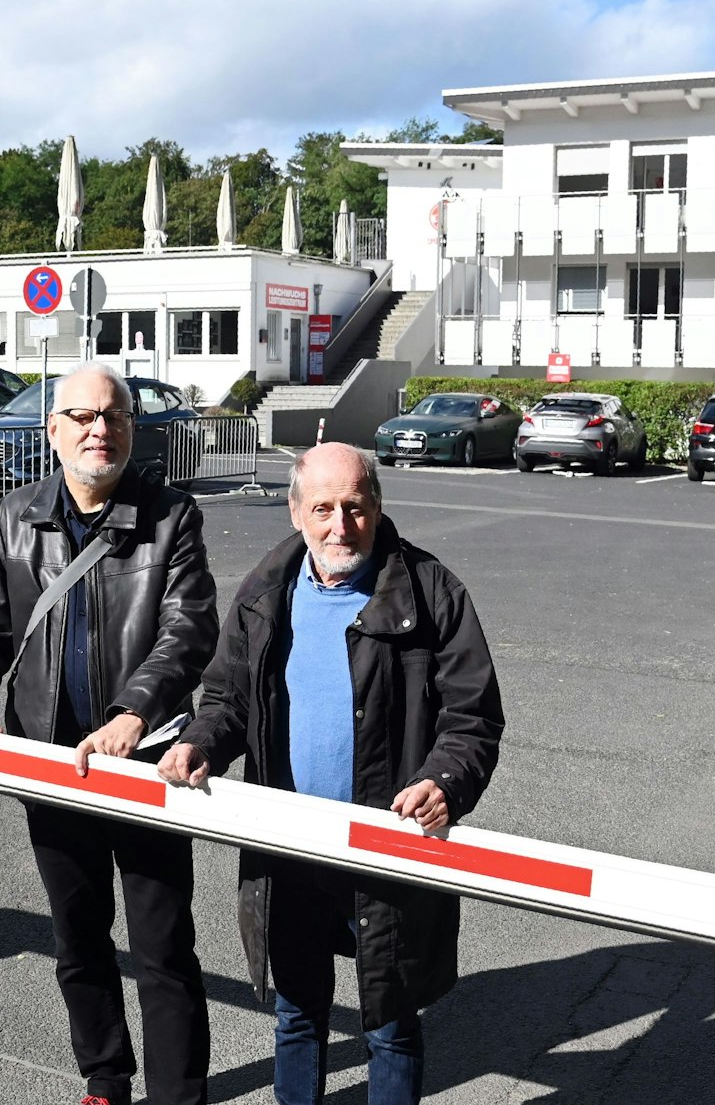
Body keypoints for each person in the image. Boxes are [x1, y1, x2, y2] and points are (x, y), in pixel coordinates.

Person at [159, 442, 505, 1105]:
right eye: (322, 508)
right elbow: (229, 698)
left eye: (354, 506)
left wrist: (446, 781)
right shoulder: (266, 592)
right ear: (295, 512)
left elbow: (473, 716)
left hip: (387, 851)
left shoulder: (431, 593)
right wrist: (203, 740)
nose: (338, 525)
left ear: (377, 506)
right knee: (297, 1015)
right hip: (290, 848)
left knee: (390, 1026)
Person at [0, 363, 217, 1105]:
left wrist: (136, 711)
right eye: (85, 416)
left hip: (144, 762)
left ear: (133, 427)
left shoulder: (171, 514)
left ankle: (177, 1096)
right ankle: (105, 1077)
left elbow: (188, 630)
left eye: (116, 415)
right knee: (80, 938)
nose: (102, 429)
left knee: (161, 945)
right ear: (52, 430)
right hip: (51, 766)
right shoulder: (14, 516)